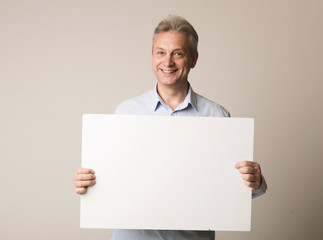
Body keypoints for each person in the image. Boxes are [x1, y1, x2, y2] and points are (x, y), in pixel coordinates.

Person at [74, 15, 267, 240]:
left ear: (193, 59)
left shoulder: (217, 116)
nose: (168, 62)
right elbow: (110, 182)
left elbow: (230, 191)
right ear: (152, 56)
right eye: (161, 52)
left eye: (178, 53)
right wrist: (88, 183)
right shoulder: (126, 112)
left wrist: (254, 181)